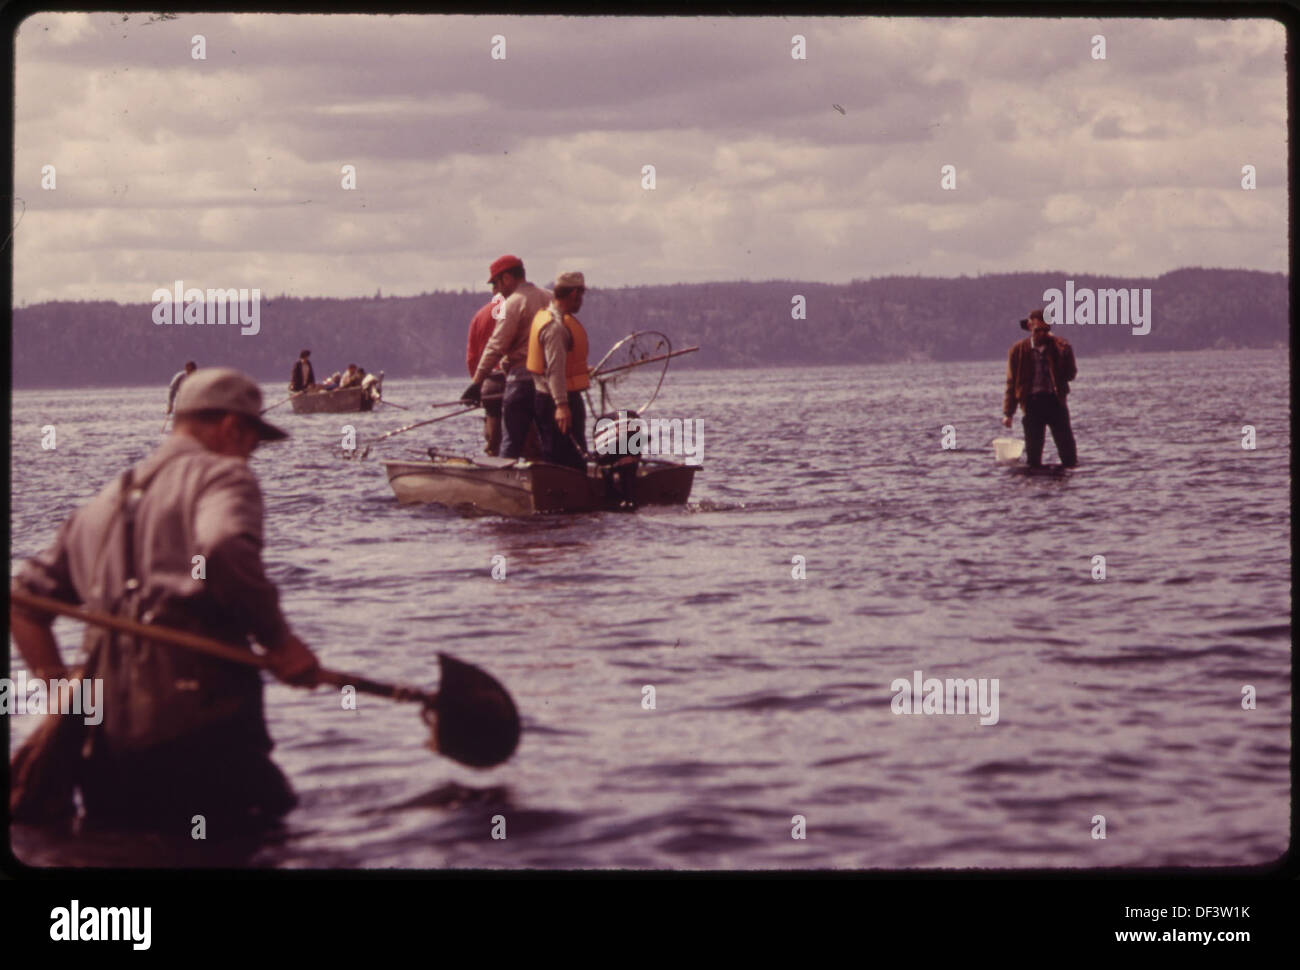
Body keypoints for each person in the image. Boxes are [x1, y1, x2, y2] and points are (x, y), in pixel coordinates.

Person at [9, 368, 322, 834]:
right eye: (253, 443)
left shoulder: (102, 503)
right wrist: (278, 640)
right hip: (201, 734)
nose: (250, 456)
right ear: (232, 427)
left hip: (104, 745)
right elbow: (221, 547)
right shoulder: (223, 477)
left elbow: (23, 602)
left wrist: (62, 693)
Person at [461, 255, 552, 458]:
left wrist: (476, 382)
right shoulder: (550, 298)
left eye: (496, 282)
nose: (496, 289)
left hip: (521, 380)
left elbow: (495, 346)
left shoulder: (510, 304)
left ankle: (503, 485)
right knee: (547, 441)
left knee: (510, 442)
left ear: (507, 278)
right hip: (549, 381)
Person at [528, 272, 591, 471]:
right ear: (574, 294)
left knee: (560, 457)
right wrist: (562, 406)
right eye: (581, 296)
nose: (581, 302)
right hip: (557, 402)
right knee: (566, 461)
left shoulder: (547, 317)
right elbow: (554, 370)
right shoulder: (555, 327)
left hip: (548, 398)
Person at [1002, 308, 1078, 467]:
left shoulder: (1060, 347)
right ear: (1030, 327)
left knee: (1069, 455)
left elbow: (1071, 374)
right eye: (1038, 330)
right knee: (1033, 457)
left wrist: (1064, 353)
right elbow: (1011, 383)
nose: (1042, 334)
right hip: (1032, 404)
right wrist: (1008, 413)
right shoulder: (1018, 350)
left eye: (1045, 330)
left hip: (1056, 403)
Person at [466, 292, 506, 455]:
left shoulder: (480, 315)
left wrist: (478, 385)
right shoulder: (521, 310)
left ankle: (493, 459)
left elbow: (472, 358)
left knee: (493, 440)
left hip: (490, 384)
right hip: (518, 379)